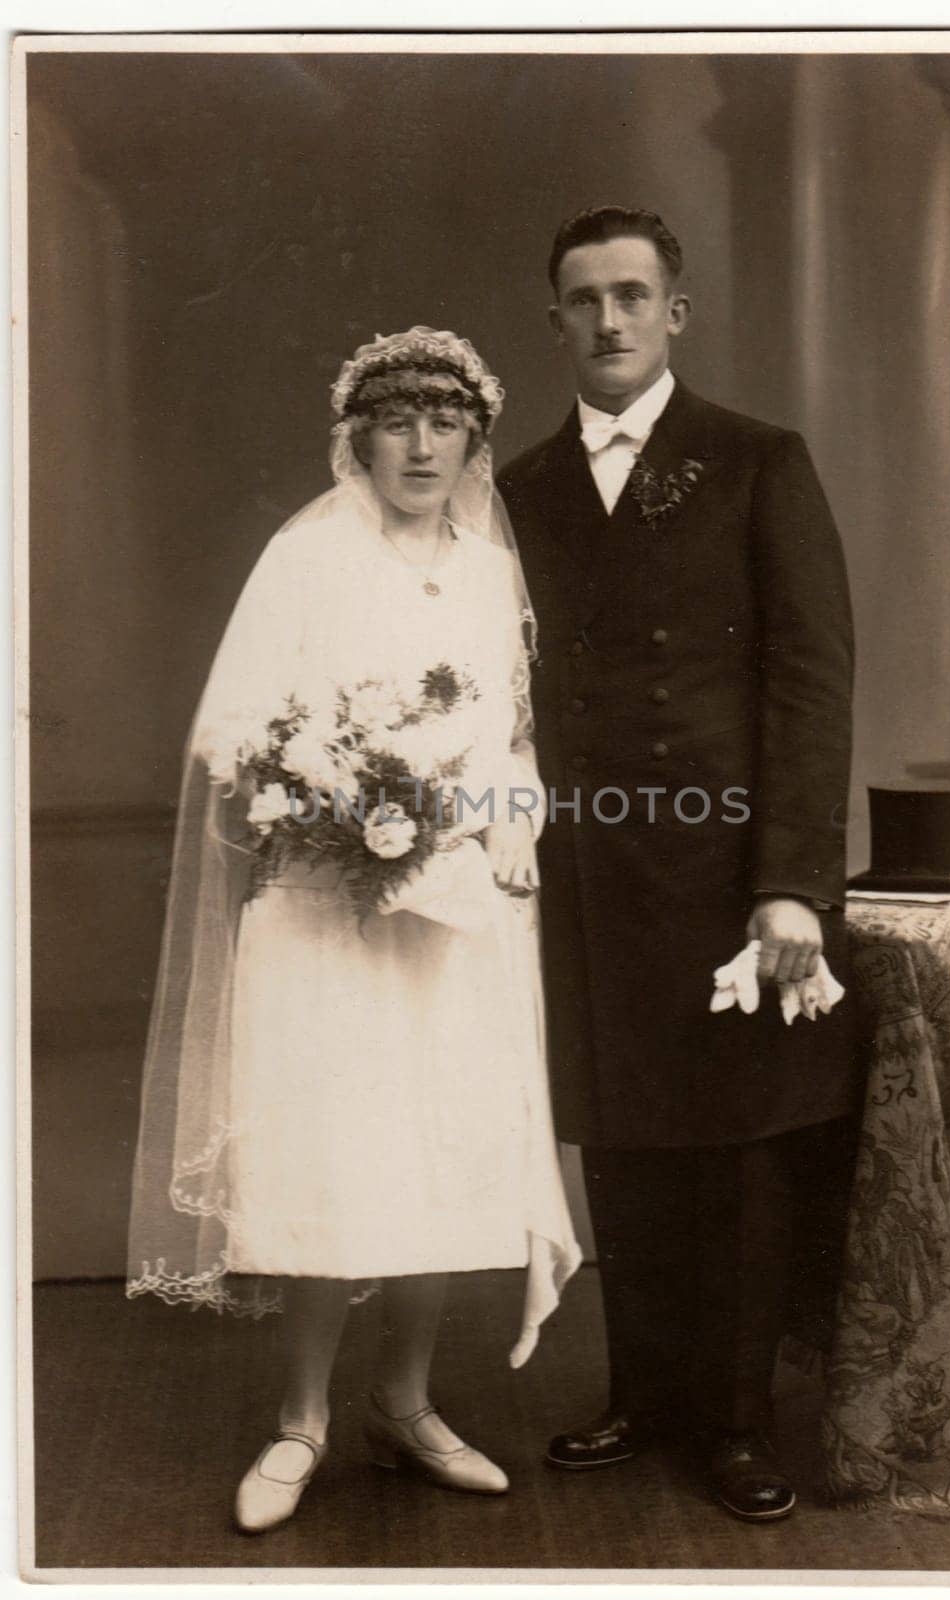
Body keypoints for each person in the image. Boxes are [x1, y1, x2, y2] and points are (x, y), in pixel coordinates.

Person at [128, 326, 580, 1534]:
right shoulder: (307, 559)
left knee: (436, 1159)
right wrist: (337, 795)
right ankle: (302, 1420)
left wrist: (499, 817)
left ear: (475, 439)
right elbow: (233, 734)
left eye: (445, 421)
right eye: (397, 419)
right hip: (328, 907)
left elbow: (513, 735)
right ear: (359, 437)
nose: (422, 442)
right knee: (333, 1155)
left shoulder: (491, 571)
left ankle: (408, 1400)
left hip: (455, 913)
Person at [498, 207, 861, 1521]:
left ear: (676, 313)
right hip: (590, 876)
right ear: (556, 320)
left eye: (632, 295)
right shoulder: (521, 486)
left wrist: (791, 883)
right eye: (584, 298)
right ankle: (643, 1393)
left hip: (729, 876)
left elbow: (813, 683)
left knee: (741, 1154)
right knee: (629, 1137)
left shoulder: (758, 461)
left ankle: (739, 1422)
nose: (609, 320)